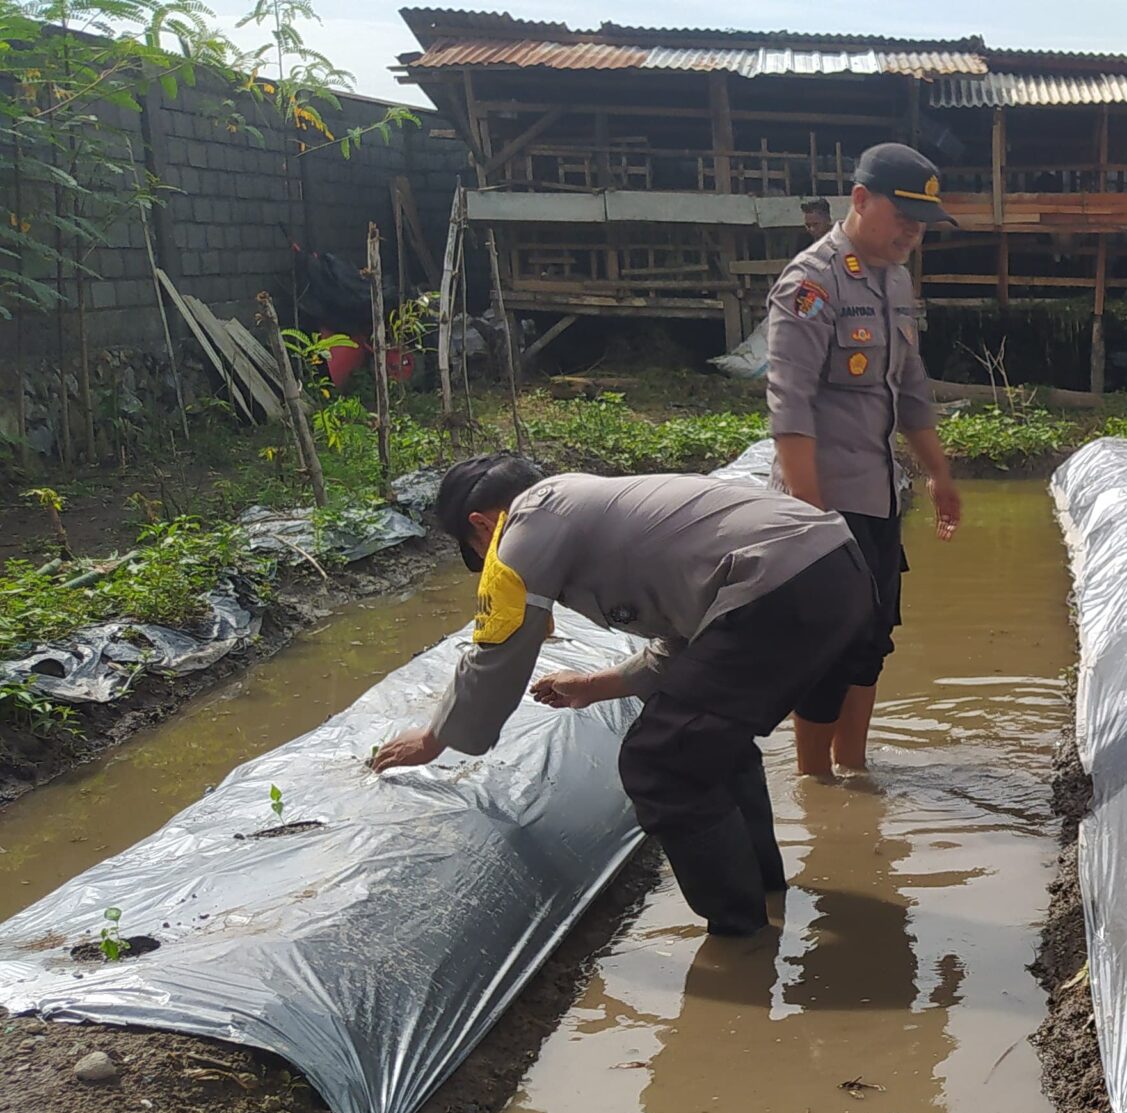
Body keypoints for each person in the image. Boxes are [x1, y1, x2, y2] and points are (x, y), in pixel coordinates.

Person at [369, 454, 875, 938]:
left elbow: (497, 647)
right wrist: (597, 686)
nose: (492, 563)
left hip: (781, 581)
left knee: (661, 760)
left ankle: (740, 936)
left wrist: (437, 738)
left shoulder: (527, 524)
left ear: (482, 525)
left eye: (481, 556)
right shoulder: (587, 508)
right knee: (711, 742)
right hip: (838, 568)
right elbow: (694, 634)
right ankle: (763, 894)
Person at [766, 142, 964, 778]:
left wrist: (938, 472)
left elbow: (909, 386)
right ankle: (814, 782)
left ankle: (853, 770)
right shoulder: (810, 284)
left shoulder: (894, 280)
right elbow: (790, 406)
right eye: (902, 214)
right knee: (826, 645)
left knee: (872, 640)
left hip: (877, 497)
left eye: (922, 221)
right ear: (859, 199)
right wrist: (809, 519)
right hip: (822, 501)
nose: (913, 231)